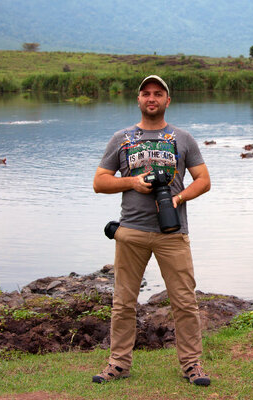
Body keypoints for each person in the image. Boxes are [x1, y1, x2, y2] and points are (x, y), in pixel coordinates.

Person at [92, 75, 211, 386]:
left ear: (167, 101)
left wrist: (179, 196)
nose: (152, 98)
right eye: (146, 93)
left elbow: (204, 180)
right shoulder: (121, 138)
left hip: (173, 232)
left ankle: (192, 365)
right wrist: (132, 182)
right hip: (131, 231)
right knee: (123, 302)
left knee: (184, 301)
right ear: (139, 100)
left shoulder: (183, 139)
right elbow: (99, 181)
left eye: (158, 94)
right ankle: (118, 364)